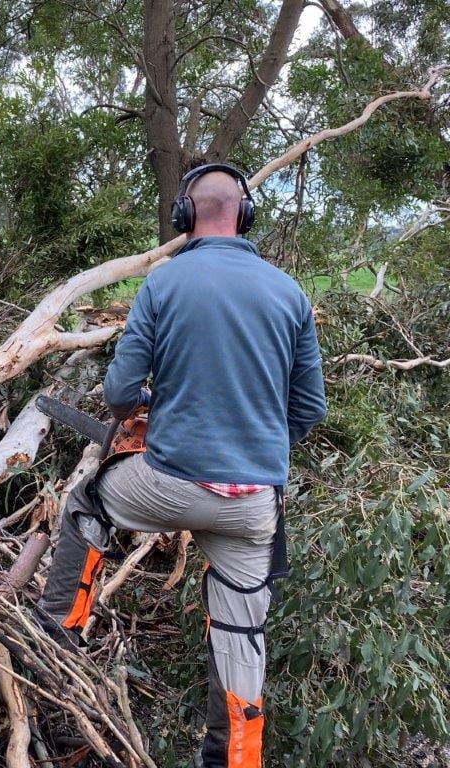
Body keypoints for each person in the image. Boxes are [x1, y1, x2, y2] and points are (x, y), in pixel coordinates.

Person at [36, 164, 328, 768]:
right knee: (242, 639)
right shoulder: (289, 291)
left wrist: (145, 405)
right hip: (254, 505)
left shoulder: (165, 284)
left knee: (88, 502)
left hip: (167, 486)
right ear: (244, 215)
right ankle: (232, 760)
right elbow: (309, 408)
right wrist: (260, 448)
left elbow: (119, 390)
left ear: (183, 216)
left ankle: (56, 637)